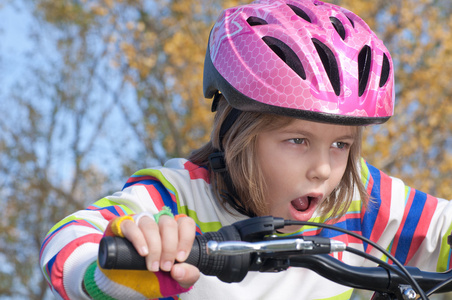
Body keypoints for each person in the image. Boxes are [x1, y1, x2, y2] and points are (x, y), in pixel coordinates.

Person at [40, 0, 452, 299]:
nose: (324, 170)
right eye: (298, 140)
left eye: (341, 144)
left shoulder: (357, 198)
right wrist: (111, 271)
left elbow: (440, 226)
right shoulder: (177, 198)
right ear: (237, 134)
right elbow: (65, 241)